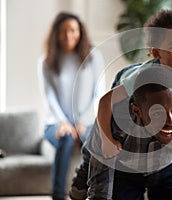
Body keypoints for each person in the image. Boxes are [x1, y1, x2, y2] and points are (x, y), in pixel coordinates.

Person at [69, 9, 172, 199]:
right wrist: (108, 140)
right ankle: (84, 173)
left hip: (166, 133)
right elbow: (105, 103)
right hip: (127, 87)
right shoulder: (138, 80)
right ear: (156, 51)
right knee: (100, 134)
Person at [85, 66, 172, 199]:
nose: (170, 120)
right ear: (137, 111)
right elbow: (99, 190)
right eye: (158, 113)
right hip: (126, 171)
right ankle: (80, 181)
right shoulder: (116, 122)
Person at [38, 11, 105, 200]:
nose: (68, 35)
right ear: (56, 34)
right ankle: (58, 195)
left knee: (93, 143)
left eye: (73, 30)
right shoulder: (46, 61)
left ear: (80, 32)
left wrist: (80, 122)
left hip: (87, 121)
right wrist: (64, 123)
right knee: (66, 138)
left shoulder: (93, 56)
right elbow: (49, 97)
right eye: (63, 31)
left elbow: (99, 94)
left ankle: (94, 193)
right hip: (55, 123)